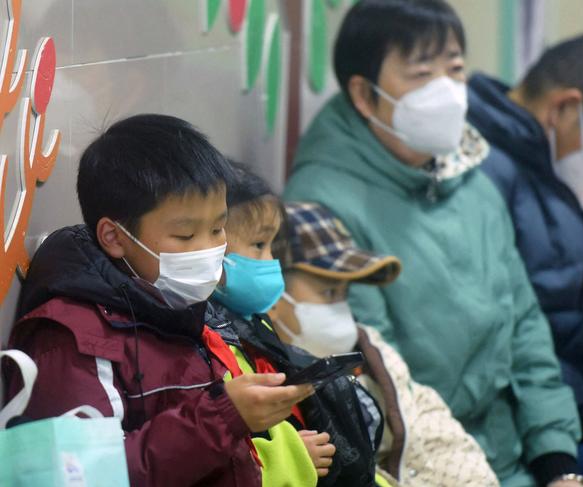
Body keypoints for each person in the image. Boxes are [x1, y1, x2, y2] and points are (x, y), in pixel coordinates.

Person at [284, 1, 583, 486]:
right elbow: (387, 378)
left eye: (456, 69)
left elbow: (526, 329)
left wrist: (558, 461)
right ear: (363, 94)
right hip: (425, 466)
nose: (446, 90)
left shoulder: (472, 179)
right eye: (421, 72)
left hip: (513, 454)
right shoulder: (322, 203)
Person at [4, 114, 314, 487]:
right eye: (185, 236)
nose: (208, 249)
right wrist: (223, 416)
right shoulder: (72, 338)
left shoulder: (177, 306)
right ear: (114, 237)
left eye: (218, 229)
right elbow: (88, 478)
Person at [467, 32, 583, 485]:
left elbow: (566, 321)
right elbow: (517, 340)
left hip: (575, 412)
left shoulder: (549, 179)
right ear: (566, 107)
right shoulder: (484, 177)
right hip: (528, 426)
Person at [270, 200, 500, 487]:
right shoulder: (264, 378)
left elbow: (434, 432)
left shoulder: (370, 350)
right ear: (272, 291)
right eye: (328, 291)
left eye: (345, 293)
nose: (342, 309)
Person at [209, 162, 381, 487]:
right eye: (259, 245)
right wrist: (290, 459)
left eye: (273, 246)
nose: (271, 262)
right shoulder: (206, 344)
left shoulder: (253, 331)